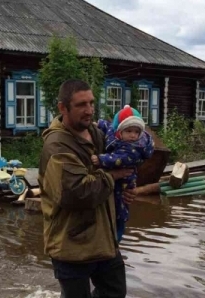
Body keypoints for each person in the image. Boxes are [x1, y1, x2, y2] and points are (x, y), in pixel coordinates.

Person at [38, 79, 136, 298]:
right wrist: (112, 176)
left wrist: (125, 187)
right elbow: (75, 193)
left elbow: (121, 160)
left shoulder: (98, 133)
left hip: (104, 241)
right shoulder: (57, 145)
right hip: (72, 245)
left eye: (92, 103)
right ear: (63, 108)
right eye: (82, 104)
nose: (89, 110)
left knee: (115, 292)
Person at [91, 105, 154, 243]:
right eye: (129, 131)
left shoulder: (132, 148)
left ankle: (116, 238)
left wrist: (100, 159)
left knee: (120, 209)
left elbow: (118, 160)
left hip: (124, 183)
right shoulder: (117, 136)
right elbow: (109, 128)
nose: (133, 135)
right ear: (120, 131)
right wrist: (99, 123)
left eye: (136, 132)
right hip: (116, 182)